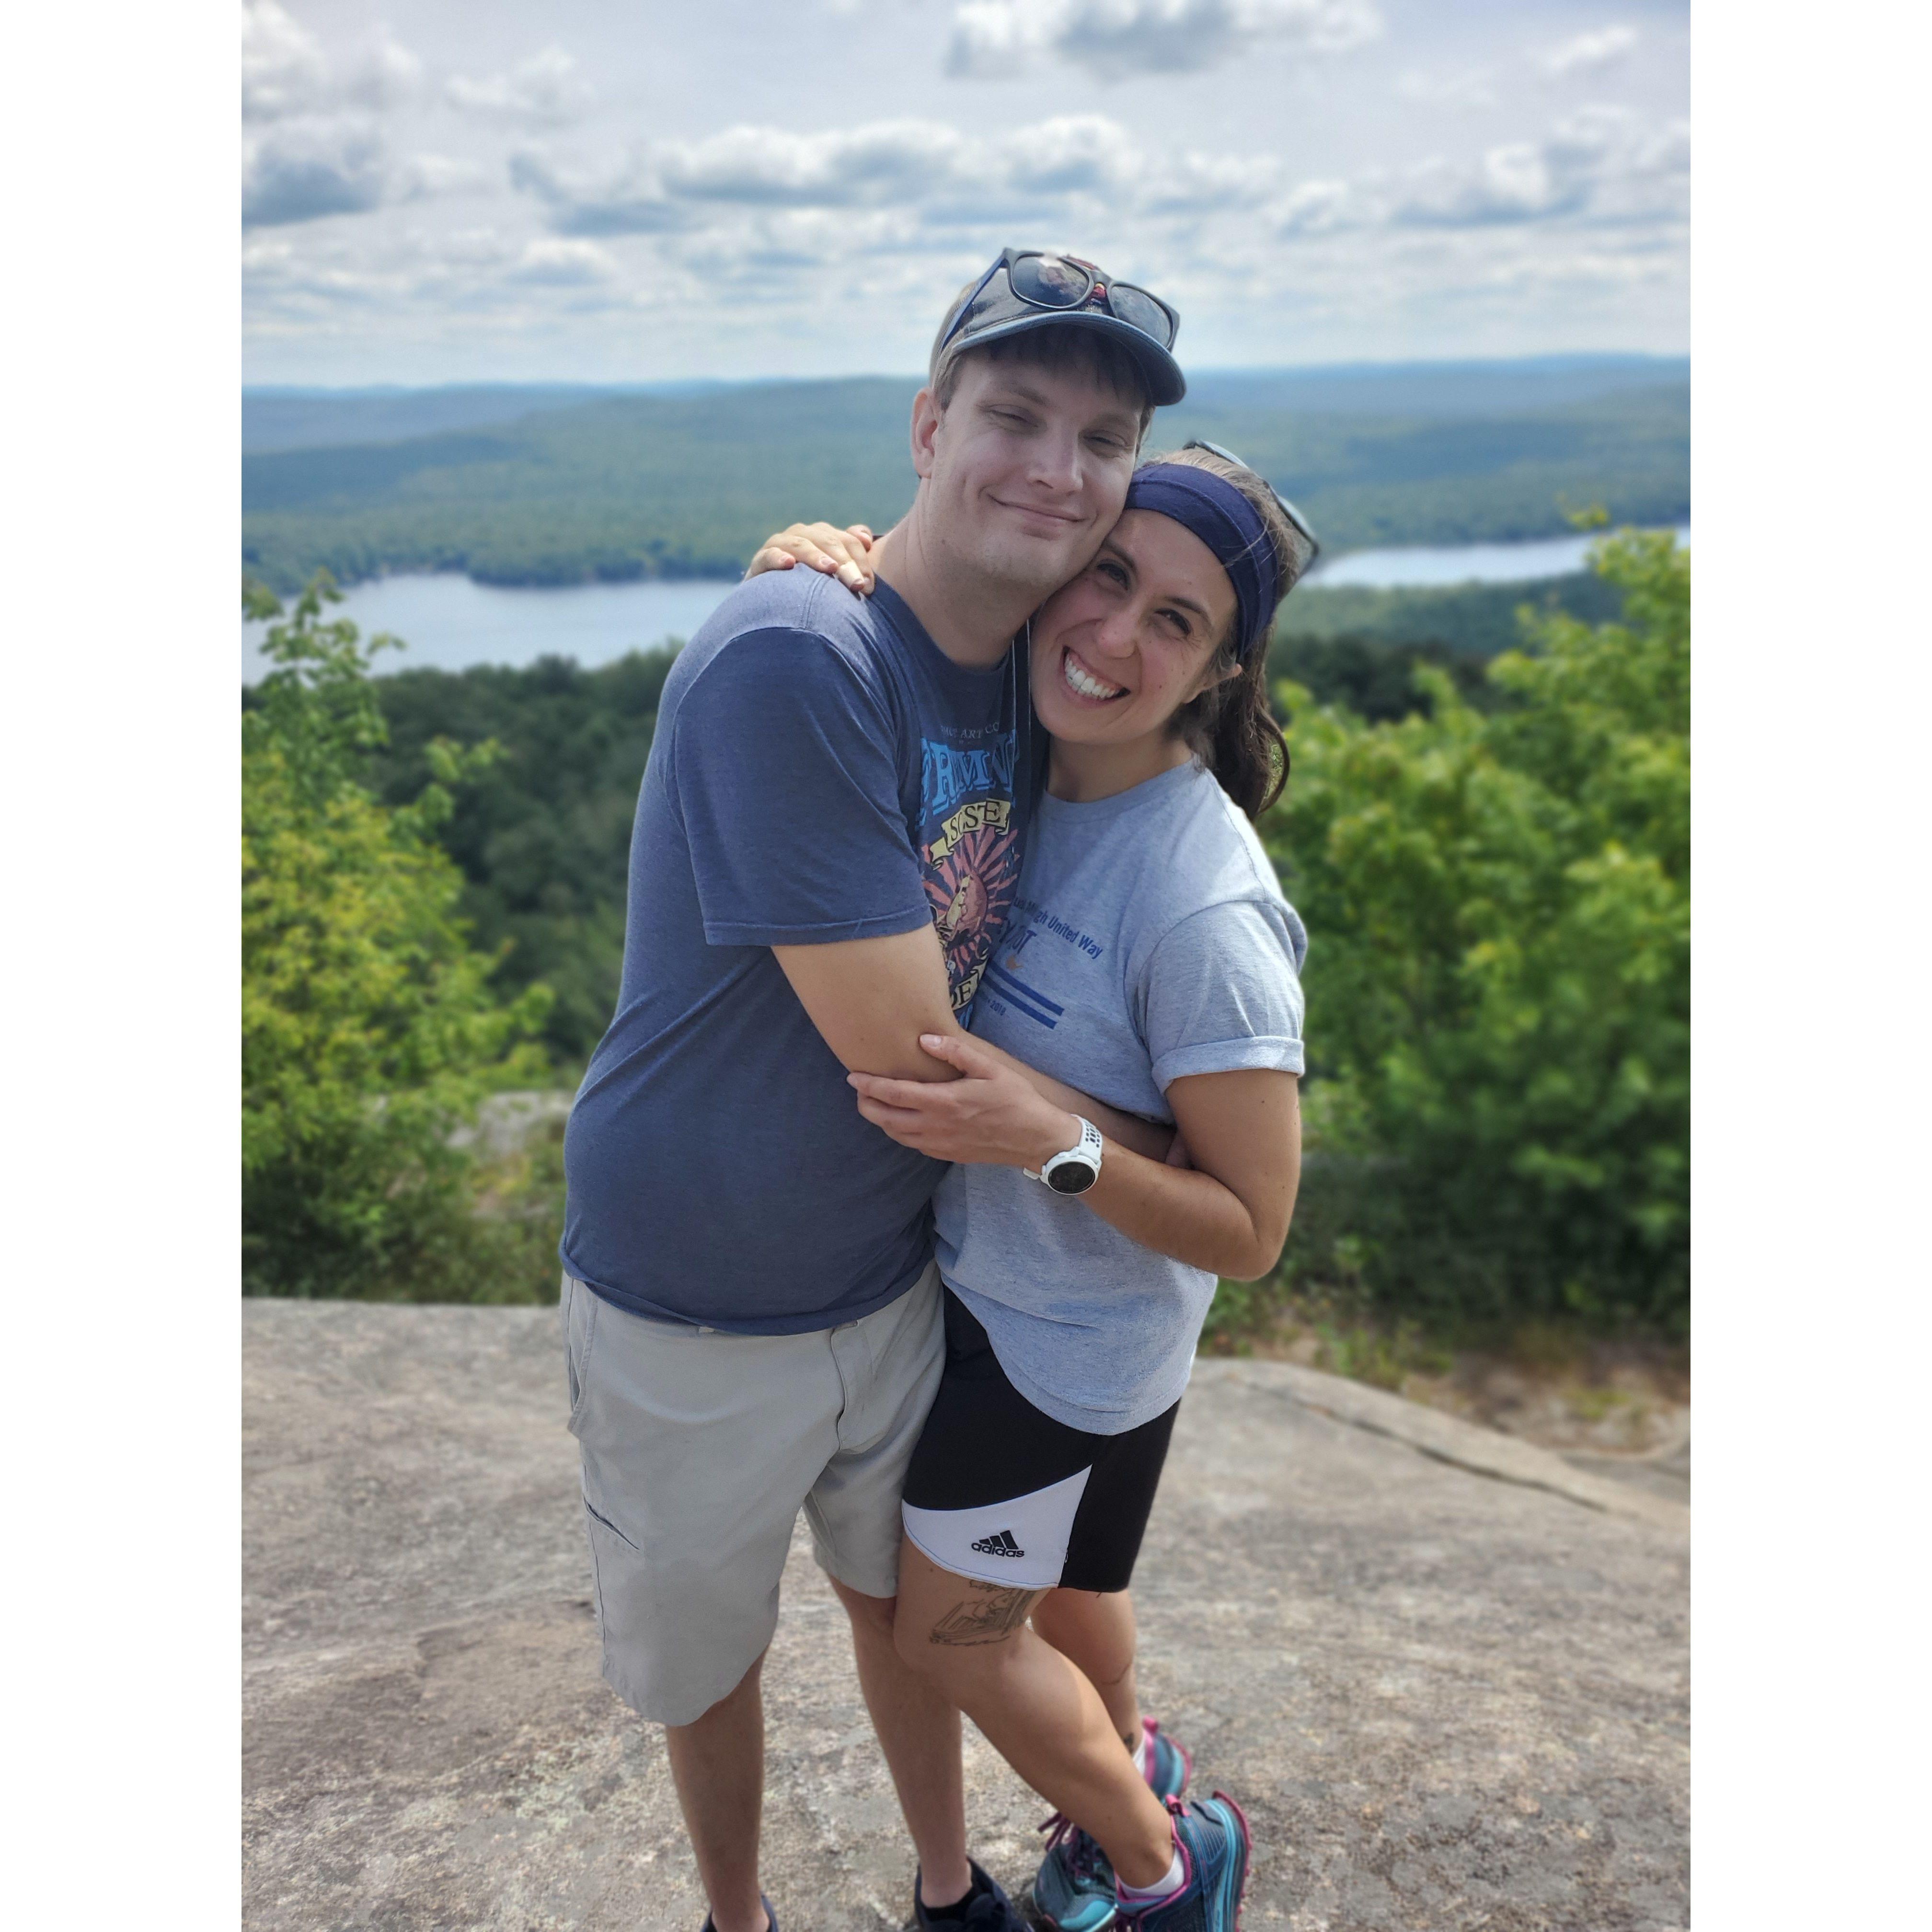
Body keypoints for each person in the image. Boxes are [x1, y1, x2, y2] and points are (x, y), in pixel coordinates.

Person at [558, 249, 1197, 1932]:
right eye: (1013, 415)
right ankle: (739, 1918)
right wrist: (1160, 1159)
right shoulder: (802, 653)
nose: (1056, 469)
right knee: (711, 1653)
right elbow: (918, 1068)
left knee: (889, 1605)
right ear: (927, 427)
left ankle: (942, 1888)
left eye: (1102, 437)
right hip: (698, 1286)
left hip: (898, 1272)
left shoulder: (1028, 663)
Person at [748, 442, 1315, 1930]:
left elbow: (1255, 1232)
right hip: (1010, 1311)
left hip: (1062, 1353)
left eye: (1176, 623)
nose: (1119, 634)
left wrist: (1049, 1140)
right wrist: (820, 578)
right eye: (1111, 575)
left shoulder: (1200, 899)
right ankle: (1127, 1763)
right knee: (1067, 1604)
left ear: (1214, 673)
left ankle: (1156, 1864)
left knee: (950, 1635)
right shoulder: (1024, 759)